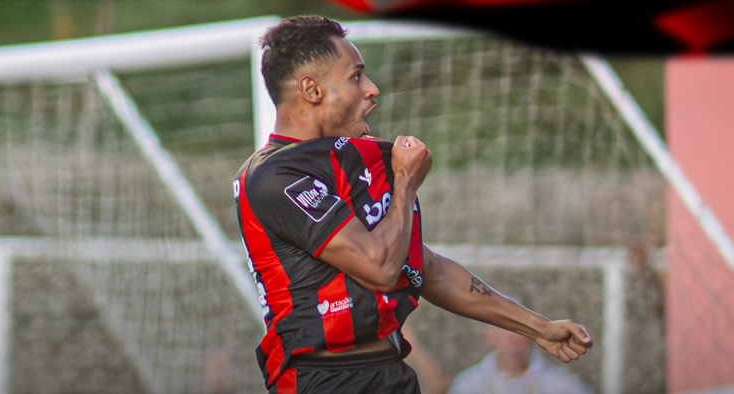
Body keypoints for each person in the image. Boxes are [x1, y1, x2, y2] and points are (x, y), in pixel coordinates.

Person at [233, 15, 593, 394]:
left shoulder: (354, 160)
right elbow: (380, 267)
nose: (371, 89)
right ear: (312, 90)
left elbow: (427, 268)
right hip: (322, 379)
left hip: (390, 372)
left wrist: (538, 327)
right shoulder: (274, 177)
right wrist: (405, 184)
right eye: (356, 77)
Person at [447, 303, 595, 394]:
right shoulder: (467, 384)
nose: (512, 338)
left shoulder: (561, 384)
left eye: (519, 330)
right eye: (504, 328)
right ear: (490, 335)